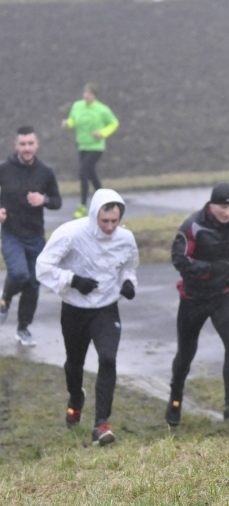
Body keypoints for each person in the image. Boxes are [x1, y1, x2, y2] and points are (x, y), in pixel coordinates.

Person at [36, 188, 139, 447]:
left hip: (106, 307)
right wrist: (73, 280)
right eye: (104, 221)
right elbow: (43, 266)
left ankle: (101, 423)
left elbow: (129, 266)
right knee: (74, 363)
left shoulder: (125, 238)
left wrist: (127, 283)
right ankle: (75, 398)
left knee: (108, 358)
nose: (109, 226)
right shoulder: (71, 233)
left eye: (114, 221)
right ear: (95, 214)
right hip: (75, 308)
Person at [166, 182, 229, 426]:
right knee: (186, 353)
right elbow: (179, 258)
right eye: (223, 206)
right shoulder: (193, 225)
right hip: (193, 299)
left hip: (223, 295)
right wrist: (209, 269)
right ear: (212, 205)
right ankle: (175, 398)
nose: (227, 212)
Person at [0, 126, 62, 346]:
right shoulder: (4, 169)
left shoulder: (45, 172)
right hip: (11, 233)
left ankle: (23, 328)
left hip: (35, 236)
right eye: (22, 144)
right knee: (18, 274)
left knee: (33, 285)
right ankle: (4, 298)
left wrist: (43, 199)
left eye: (30, 144)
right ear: (16, 146)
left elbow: (57, 201)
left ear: (37, 145)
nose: (26, 148)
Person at [61, 83, 119, 219]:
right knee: (91, 175)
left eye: (90, 94)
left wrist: (103, 132)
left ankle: (82, 206)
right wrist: (67, 124)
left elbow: (114, 122)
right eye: (85, 93)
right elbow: (73, 120)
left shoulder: (102, 109)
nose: (87, 96)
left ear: (95, 96)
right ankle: (106, 201)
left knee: (83, 173)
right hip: (82, 145)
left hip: (96, 147)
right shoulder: (77, 106)